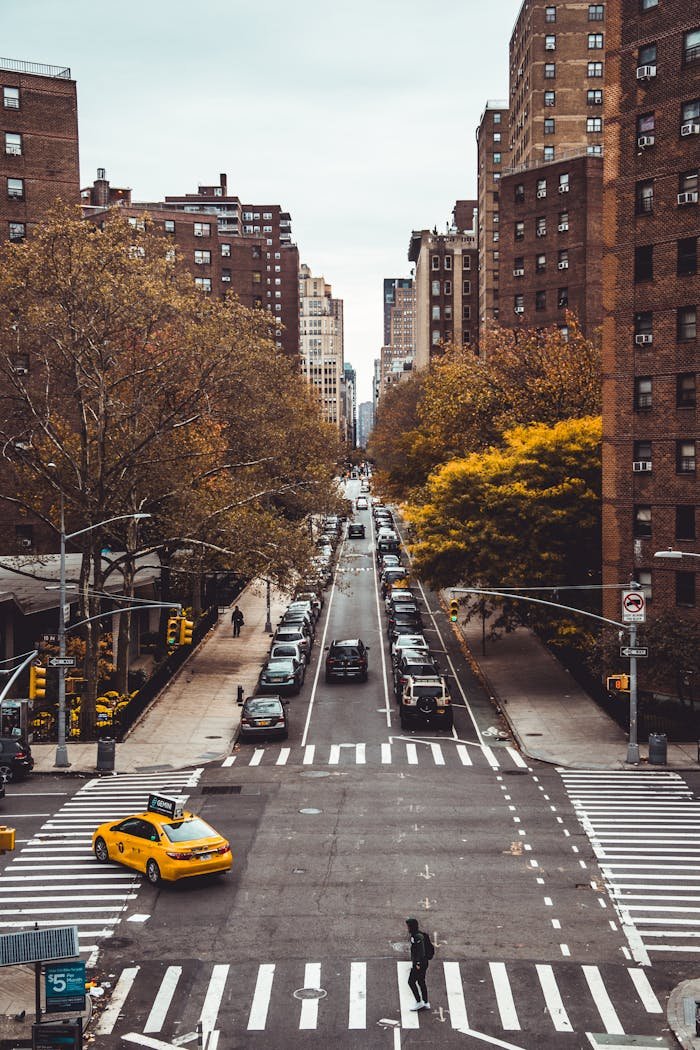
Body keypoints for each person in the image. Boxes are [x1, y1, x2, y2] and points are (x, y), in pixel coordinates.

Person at [405, 917, 430, 1010]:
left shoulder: (416, 936)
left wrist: (417, 963)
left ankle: (419, 1002)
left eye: (408, 926)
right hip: (424, 962)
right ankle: (426, 1002)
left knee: (411, 982)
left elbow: (421, 951)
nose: (407, 928)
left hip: (420, 964)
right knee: (421, 981)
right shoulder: (419, 934)